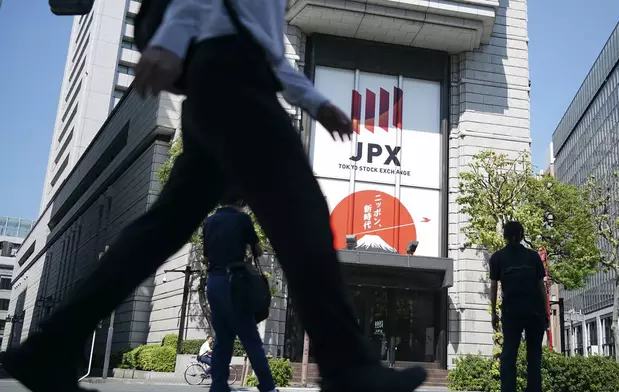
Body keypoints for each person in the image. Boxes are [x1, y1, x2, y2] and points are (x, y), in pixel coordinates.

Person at [4, 1, 426, 392]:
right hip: (232, 79)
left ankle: (50, 346)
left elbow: (266, 46)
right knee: (304, 220)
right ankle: (347, 366)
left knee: (160, 230)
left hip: (224, 81)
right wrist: (172, 38)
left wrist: (315, 102)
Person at [203, 195, 276, 392]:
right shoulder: (241, 219)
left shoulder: (209, 222)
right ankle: (268, 387)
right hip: (234, 282)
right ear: (241, 202)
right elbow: (258, 250)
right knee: (250, 338)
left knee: (223, 339)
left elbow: (206, 254)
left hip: (213, 282)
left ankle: (218, 386)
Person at [490, 221, 549, 392]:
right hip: (534, 311)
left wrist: (493, 313)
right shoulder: (533, 257)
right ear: (522, 235)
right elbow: (541, 287)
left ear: (505, 236)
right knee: (534, 356)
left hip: (511, 311)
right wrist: (545, 313)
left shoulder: (497, 258)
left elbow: (494, 287)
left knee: (509, 355)